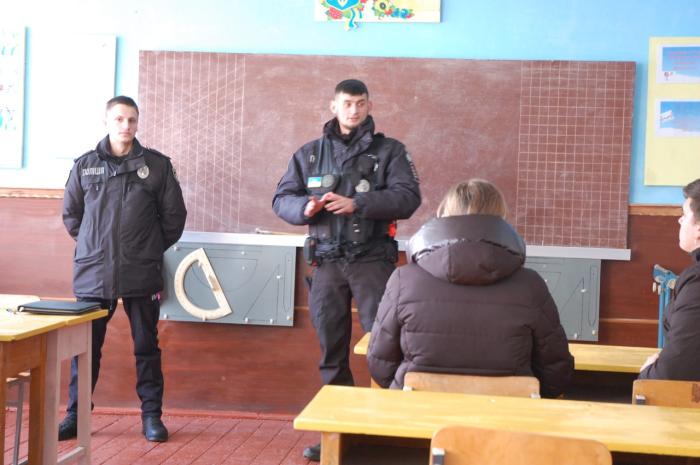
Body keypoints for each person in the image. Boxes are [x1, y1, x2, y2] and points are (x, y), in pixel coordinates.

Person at [272, 79, 421, 460]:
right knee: (331, 351)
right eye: (347, 103)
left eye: (360, 103)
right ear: (333, 106)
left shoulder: (390, 151)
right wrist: (303, 208)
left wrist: (359, 204)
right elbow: (282, 198)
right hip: (326, 263)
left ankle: (388, 431)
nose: (353, 110)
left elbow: (408, 197)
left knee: (386, 347)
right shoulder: (309, 154)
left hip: (372, 261)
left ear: (369, 106)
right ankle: (337, 433)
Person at [367, 179, 574, 398]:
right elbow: (556, 373)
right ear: (501, 220)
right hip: (507, 416)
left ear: (443, 216)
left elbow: (380, 364)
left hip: (419, 412)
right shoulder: (531, 286)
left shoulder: (403, 280)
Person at [60, 95, 187, 442]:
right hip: (94, 272)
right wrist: (96, 246)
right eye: (119, 119)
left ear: (137, 122)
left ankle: (152, 417)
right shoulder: (85, 165)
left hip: (140, 271)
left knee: (146, 347)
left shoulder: (157, 166)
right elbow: (72, 216)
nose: (126, 126)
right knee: (85, 349)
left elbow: (174, 218)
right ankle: (75, 416)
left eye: (131, 120)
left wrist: (147, 249)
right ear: (107, 122)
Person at [639, 178, 700, 380]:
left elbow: (673, 372)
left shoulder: (697, 282)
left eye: (684, 215)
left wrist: (647, 372)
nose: (679, 221)